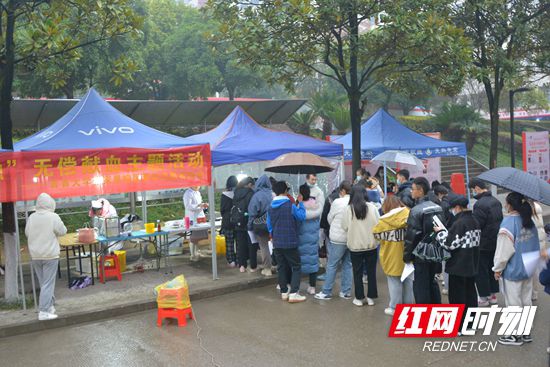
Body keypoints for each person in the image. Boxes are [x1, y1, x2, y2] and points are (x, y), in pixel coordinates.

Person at [493, 192, 541, 346]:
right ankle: (526, 332)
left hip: (514, 269)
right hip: (528, 267)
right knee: (526, 301)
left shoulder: (508, 223)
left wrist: (497, 269)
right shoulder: (529, 221)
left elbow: (503, 251)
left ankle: (514, 335)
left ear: (510, 205)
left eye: (506, 203)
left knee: (513, 303)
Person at [434, 196, 481, 329]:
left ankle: (459, 326)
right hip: (472, 263)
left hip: (458, 265)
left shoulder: (460, 223)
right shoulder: (474, 220)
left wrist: (440, 232)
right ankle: (471, 324)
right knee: (471, 294)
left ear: (457, 208)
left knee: (457, 296)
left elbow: (450, 244)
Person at [25, 193, 67, 321]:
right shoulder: (53, 216)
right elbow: (63, 231)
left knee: (44, 282)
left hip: (35, 255)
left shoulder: (32, 217)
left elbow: (27, 233)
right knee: (48, 284)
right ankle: (43, 311)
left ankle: (49, 306)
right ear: (50, 203)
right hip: (50, 255)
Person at [403, 177, 444, 304]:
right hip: (435, 252)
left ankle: (424, 317)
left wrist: (407, 257)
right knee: (432, 283)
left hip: (420, 255)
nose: (411, 192)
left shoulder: (416, 211)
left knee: (421, 288)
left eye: (413, 189)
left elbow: (412, 237)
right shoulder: (438, 207)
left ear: (420, 191)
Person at [267, 181, 307, 303]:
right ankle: (294, 293)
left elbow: (269, 225)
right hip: (290, 241)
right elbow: (301, 217)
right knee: (296, 266)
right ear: (285, 191)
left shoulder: (270, 207)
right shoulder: (290, 205)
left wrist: (274, 236)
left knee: (281, 267)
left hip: (277, 241)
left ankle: (284, 292)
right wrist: (301, 204)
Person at [341, 185, 380, 307]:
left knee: (357, 272)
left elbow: (344, 226)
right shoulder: (372, 207)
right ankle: (371, 298)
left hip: (355, 246)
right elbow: (378, 225)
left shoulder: (349, 209)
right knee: (371, 272)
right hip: (371, 245)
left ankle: (359, 298)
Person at [373, 195, 412, 316]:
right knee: (408, 281)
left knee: (394, 281)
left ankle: (394, 307)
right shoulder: (409, 215)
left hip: (391, 255)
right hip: (408, 254)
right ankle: (408, 307)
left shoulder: (383, 221)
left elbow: (376, 235)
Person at [315, 181, 353, 300]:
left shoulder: (337, 202)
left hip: (338, 238)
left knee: (332, 265)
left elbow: (329, 218)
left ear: (342, 191)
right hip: (351, 238)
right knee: (348, 264)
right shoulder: (354, 202)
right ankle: (345, 291)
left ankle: (326, 291)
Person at [468, 178, 503, 306]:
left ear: (477, 188)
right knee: (491, 268)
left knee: (481, 270)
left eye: (472, 190)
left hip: (482, 243)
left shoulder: (479, 205)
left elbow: (477, 225)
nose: (473, 192)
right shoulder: (496, 201)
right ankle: (493, 295)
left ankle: (483, 297)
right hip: (495, 241)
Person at [297, 183, 322, 294]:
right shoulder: (316, 206)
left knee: (299, 262)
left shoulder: (299, 207)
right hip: (313, 238)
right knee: (312, 261)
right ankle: (312, 287)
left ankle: (296, 286)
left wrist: (299, 202)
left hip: (301, 239)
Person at [248, 174, 274, 276]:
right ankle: (275, 265)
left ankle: (267, 268)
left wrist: (250, 226)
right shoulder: (273, 194)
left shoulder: (257, 196)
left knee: (264, 246)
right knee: (274, 245)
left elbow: (252, 213)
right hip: (274, 224)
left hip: (261, 225)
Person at [232, 177, 255, 273]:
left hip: (238, 221)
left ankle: (242, 266)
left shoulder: (236, 192)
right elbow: (253, 207)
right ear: (249, 184)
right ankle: (253, 266)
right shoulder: (251, 193)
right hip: (249, 221)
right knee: (251, 244)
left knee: (240, 244)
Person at [183, 186, 209, 261]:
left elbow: (199, 204)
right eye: (197, 185)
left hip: (200, 215)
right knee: (193, 237)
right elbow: (188, 206)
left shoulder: (198, 192)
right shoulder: (187, 193)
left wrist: (203, 205)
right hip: (192, 217)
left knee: (198, 236)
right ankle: (192, 254)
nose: (198, 186)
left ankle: (196, 252)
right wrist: (199, 206)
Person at [530, 200, 547, 301]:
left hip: (532, 242)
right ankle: (534, 293)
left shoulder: (527, 207)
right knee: (535, 271)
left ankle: (531, 293)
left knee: (530, 270)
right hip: (540, 241)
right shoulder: (537, 206)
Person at [220, 176, 238, 267]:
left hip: (227, 221)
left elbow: (222, 210)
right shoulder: (238, 193)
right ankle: (239, 259)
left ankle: (231, 261)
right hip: (238, 221)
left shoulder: (224, 195)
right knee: (238, 242)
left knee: (229, 242)